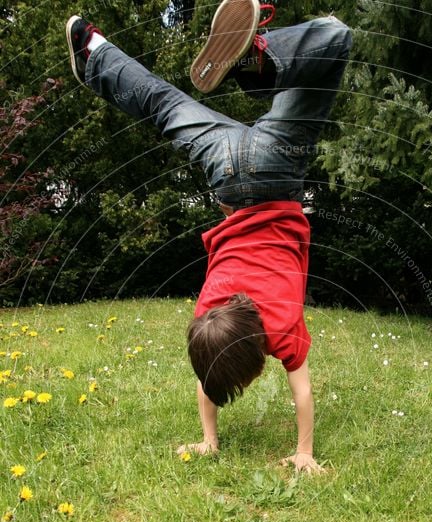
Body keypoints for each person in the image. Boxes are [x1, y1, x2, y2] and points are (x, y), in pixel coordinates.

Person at [66, 1, 352, 474]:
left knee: (335, 38)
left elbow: (300, 390)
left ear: (258, 358)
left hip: (276, 172)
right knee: (164, 104)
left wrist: (305, 452)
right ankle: (93, 50)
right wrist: (208, 441)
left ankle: (261, 54)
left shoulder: (278, 327)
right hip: (226, 173)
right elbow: (207, 371)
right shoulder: (208, 315)